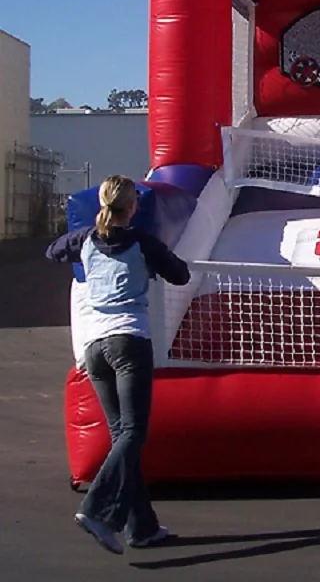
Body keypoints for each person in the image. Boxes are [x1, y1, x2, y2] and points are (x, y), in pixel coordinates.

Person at [46, 175, 191, 555]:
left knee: (121, 437)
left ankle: (141, 526)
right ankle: (96, 508)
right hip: (128, 340)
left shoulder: (84, 241)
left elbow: (53, 252)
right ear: (133, 208)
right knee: (132, 434)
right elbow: (181, 275)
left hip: (94, 346)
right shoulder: (141, 242)